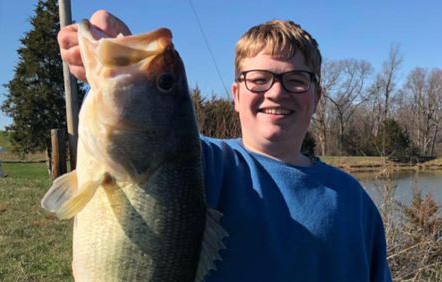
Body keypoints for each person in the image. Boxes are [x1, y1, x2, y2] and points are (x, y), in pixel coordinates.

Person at [58, 10, 392, 282]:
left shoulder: (355, 201)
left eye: (296, 80)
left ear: (316, 97)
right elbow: (155, 134)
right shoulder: (203, 163)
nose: (277, 92)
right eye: (258, 79)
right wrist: (119, 48)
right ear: (236, 95)